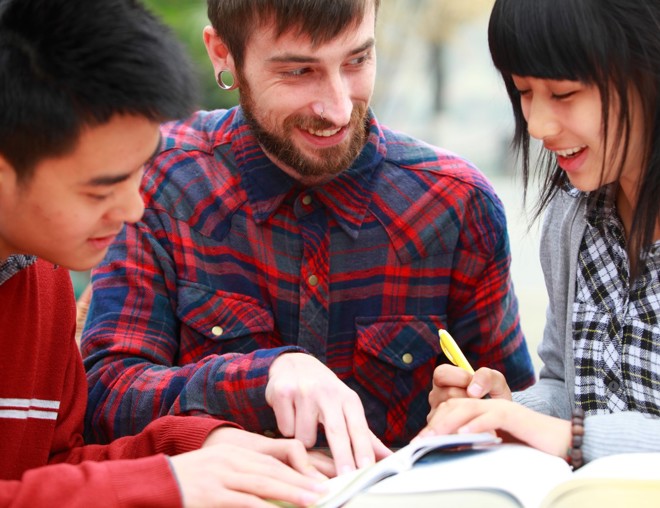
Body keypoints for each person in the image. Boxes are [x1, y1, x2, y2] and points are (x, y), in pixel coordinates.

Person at [80, 0, 535, 474]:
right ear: (223, 55)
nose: (338, 109)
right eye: (299, 71)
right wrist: (261, 378)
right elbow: (102, 399)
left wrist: (493, 410)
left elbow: (518, 409)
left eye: (357, 61)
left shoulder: (456, 205)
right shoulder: (156, 182)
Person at [0, 0, 328, 506]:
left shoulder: (43, 278)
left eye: (139, 173)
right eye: (100, 190)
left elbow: (55, 468)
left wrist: (198, 448)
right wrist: (163, 483)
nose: (133, 209)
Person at [422, 0, 660, 466]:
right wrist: (498, 410)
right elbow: (564, 386)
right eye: (524, 92)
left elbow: (570, 430)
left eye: (564, 94)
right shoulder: (572, 219)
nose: (537, 126)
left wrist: (564, 436)